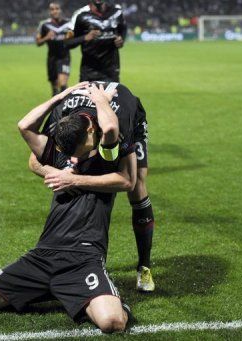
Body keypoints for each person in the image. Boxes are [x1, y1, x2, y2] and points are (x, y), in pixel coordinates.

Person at [0, 83, 136, 333]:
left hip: (83, 257)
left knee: (112, 323)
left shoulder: (106, 158)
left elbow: (113, 135)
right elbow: (24, 127)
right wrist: (59, 97)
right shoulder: (60, 154)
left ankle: (100, 296)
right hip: (43, 255)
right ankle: (56, 289)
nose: (76, 157)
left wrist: (101, 99)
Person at [29, 81, 156, 292]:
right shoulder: (61, 118)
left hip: (126, 113)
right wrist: (58, 173)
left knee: (138, 186)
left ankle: (144, 266)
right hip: (84, 115)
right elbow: (34, 161)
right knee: (76, 167)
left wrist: (75, 179)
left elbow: (127, 180)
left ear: (91, 131)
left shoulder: (118, 124)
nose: (74, 159)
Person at [66, 0, 127, 82]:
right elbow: (68, 43)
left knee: (111, 95)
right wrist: (85, 37)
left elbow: (123, 29)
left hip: (111, 71)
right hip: (89, 72)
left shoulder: (117, 12)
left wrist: (121, 40)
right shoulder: (80, 15)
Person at [36, 2, 73, 96]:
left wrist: (71, 37)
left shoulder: (69, 24)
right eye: (52, 9)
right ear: (49, 11)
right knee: (55, 89)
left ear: (60, 10)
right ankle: (56, 109)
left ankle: (66, 108)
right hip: (52, 58)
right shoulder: (44, 24)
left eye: (57, 8)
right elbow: (38, 42)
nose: (55, 11)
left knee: (63, 85)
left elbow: (75, 37)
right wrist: (46, 37)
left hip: (64, 57)